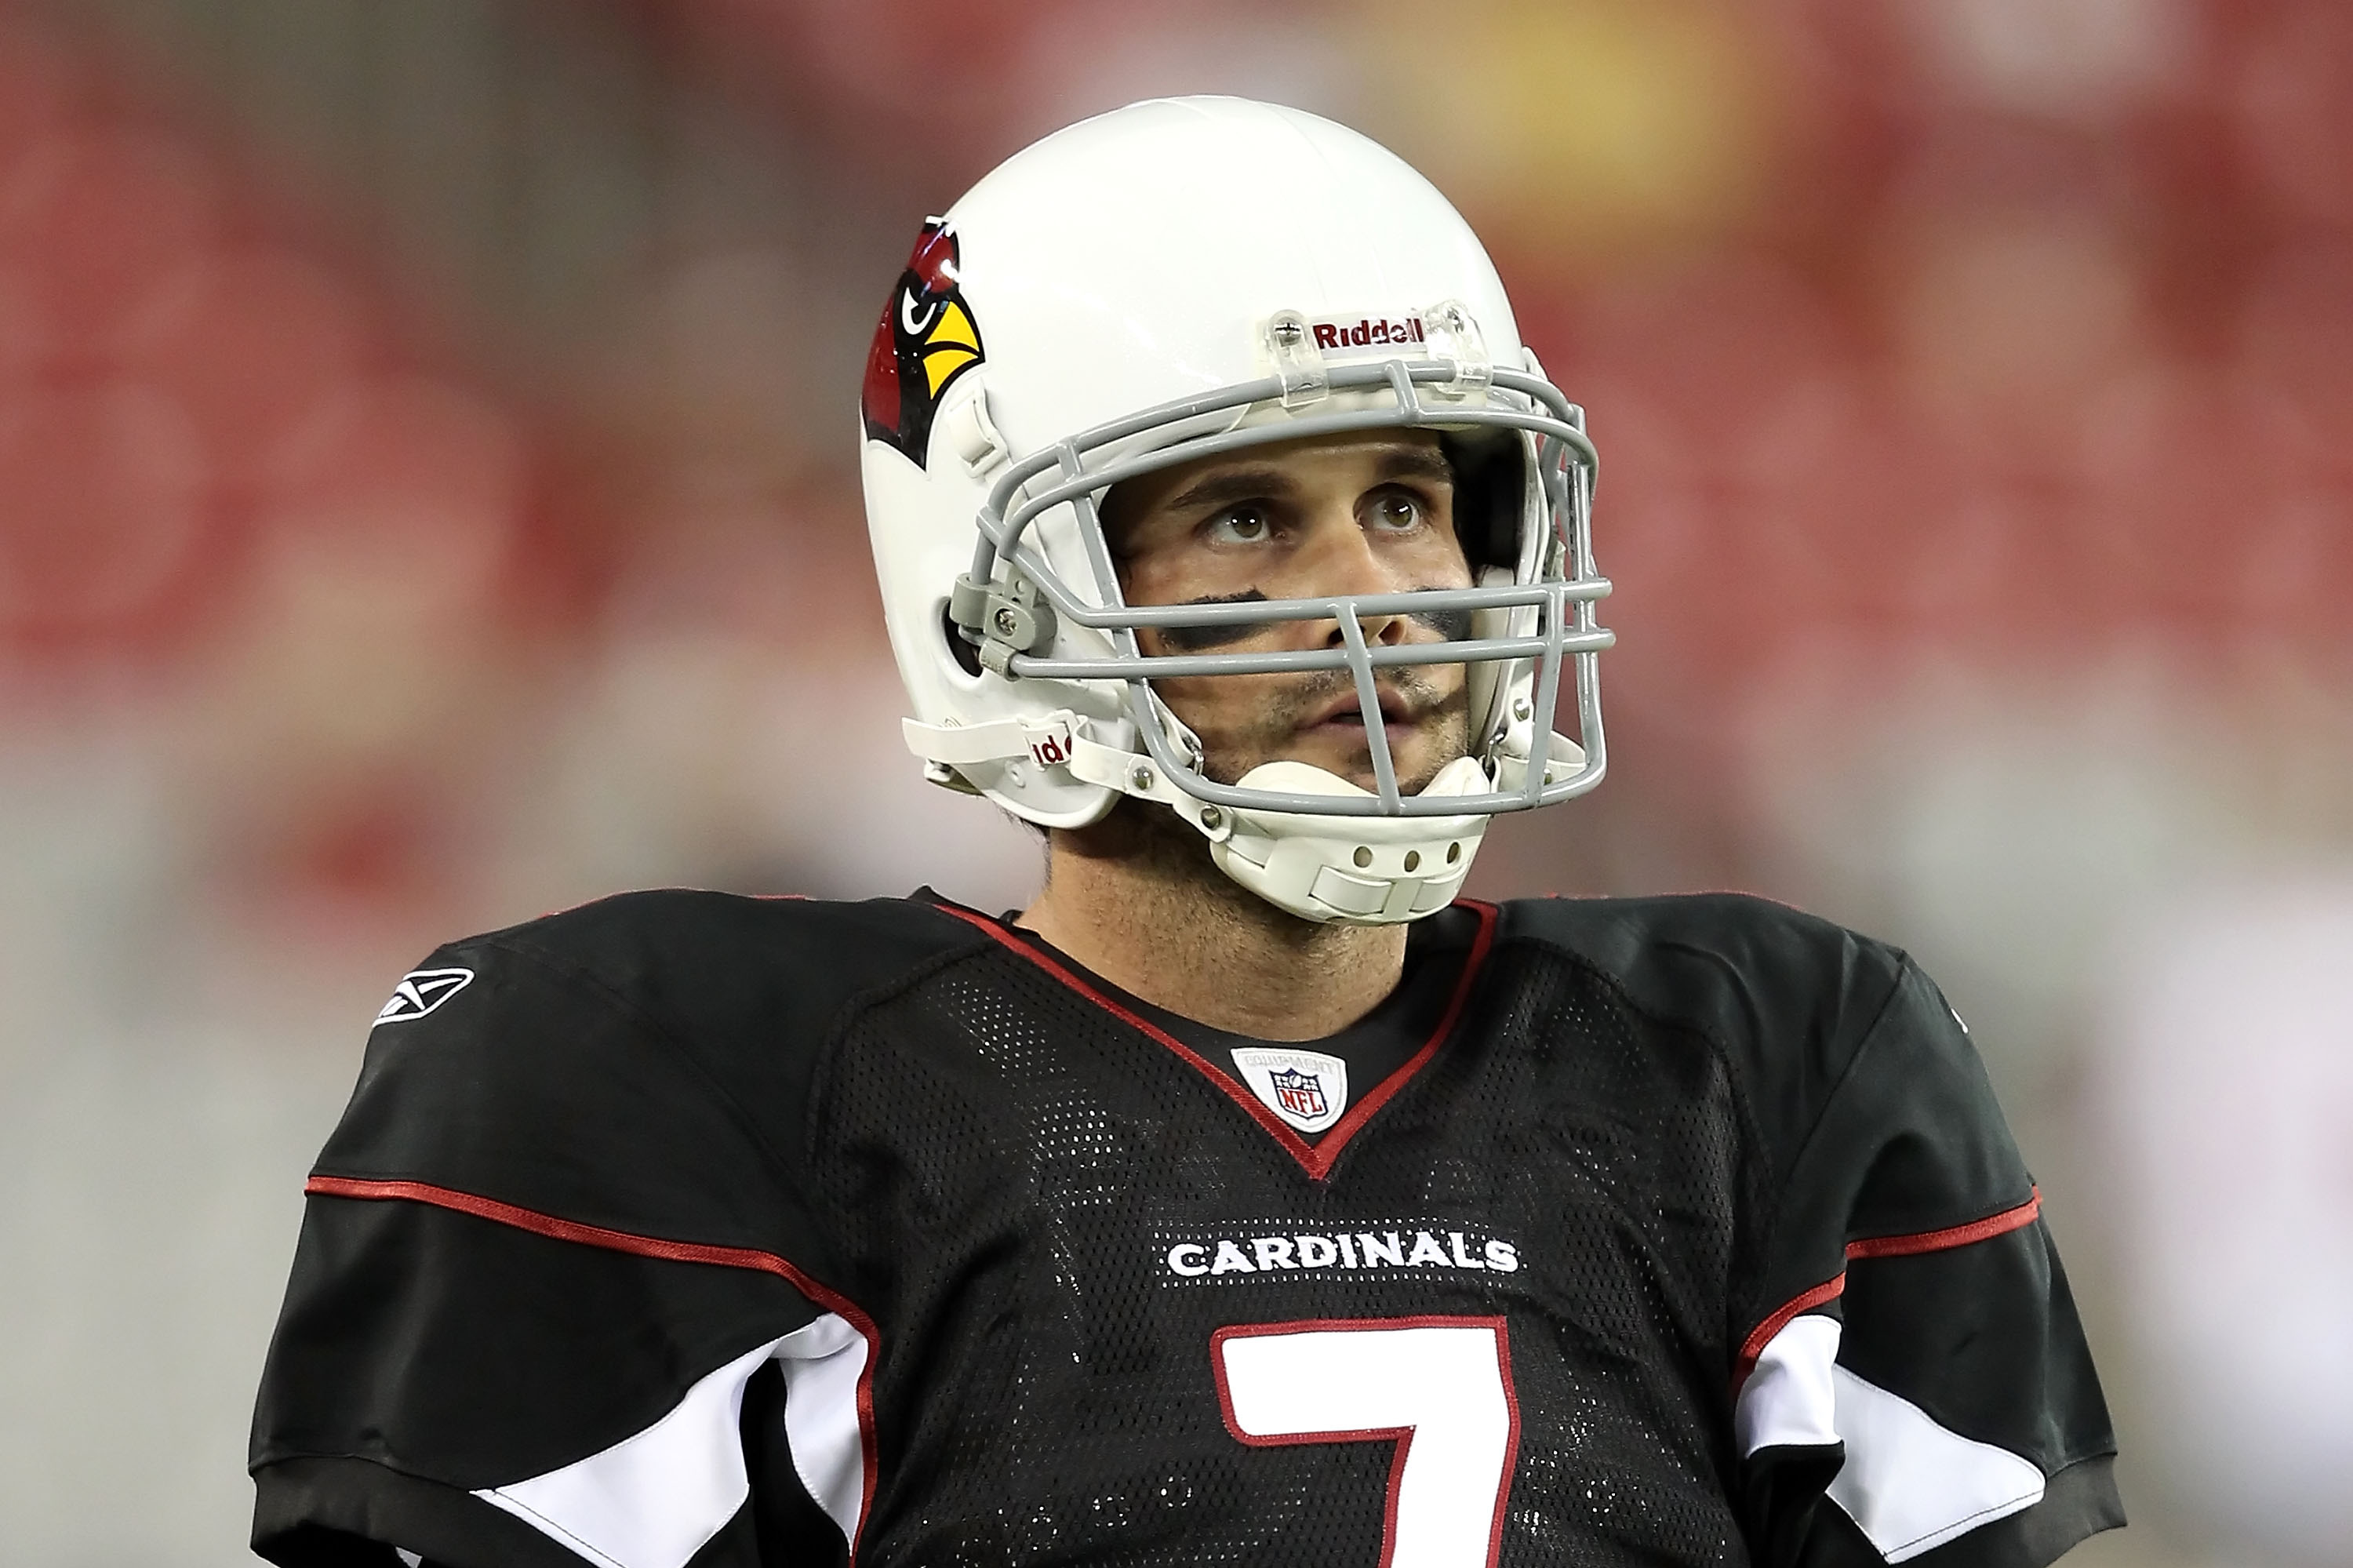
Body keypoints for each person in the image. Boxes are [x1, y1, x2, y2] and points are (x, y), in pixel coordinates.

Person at [249, 97, 2122, 1568]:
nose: (1378, 596)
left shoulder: (1756, 1065)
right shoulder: (712, 1092)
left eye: (1407, 496)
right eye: (1245, 521)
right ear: (999, 602)